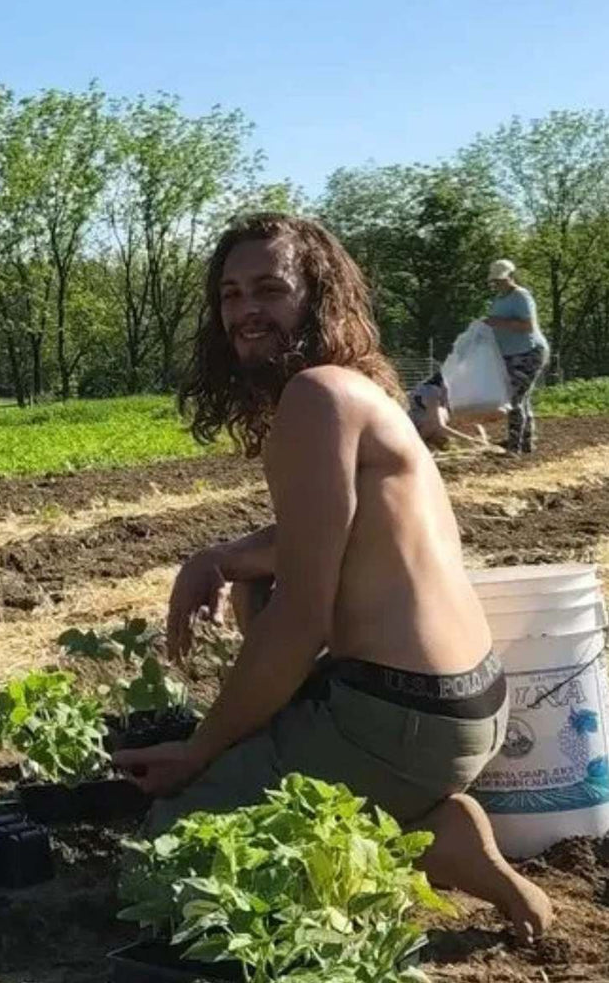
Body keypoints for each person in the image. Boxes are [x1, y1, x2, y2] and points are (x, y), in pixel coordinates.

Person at [112, 213, 554, 941]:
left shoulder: (315, 398)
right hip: (467, 703)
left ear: (316, 296)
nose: (244, 310)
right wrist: (219, 559)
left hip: (398, 719)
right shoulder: (357, 391)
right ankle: (429, 823)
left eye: (268, 289)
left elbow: (304, 617)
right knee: (264, 647)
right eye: (229, 294)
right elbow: (322, 538)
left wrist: (201, 753)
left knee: (166, 860)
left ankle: (406, 838)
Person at [484, 259, 549, 455]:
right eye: (495, 281)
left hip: (529, 353)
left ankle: (515, 446)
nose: (498, 284)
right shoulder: (499, 299)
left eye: (501, 280)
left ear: (510, 277)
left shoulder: (521, 296)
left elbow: (527, 326)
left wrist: (498, 322)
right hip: (511, 354)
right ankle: (526, 442)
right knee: (522, 398)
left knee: (513, 398)